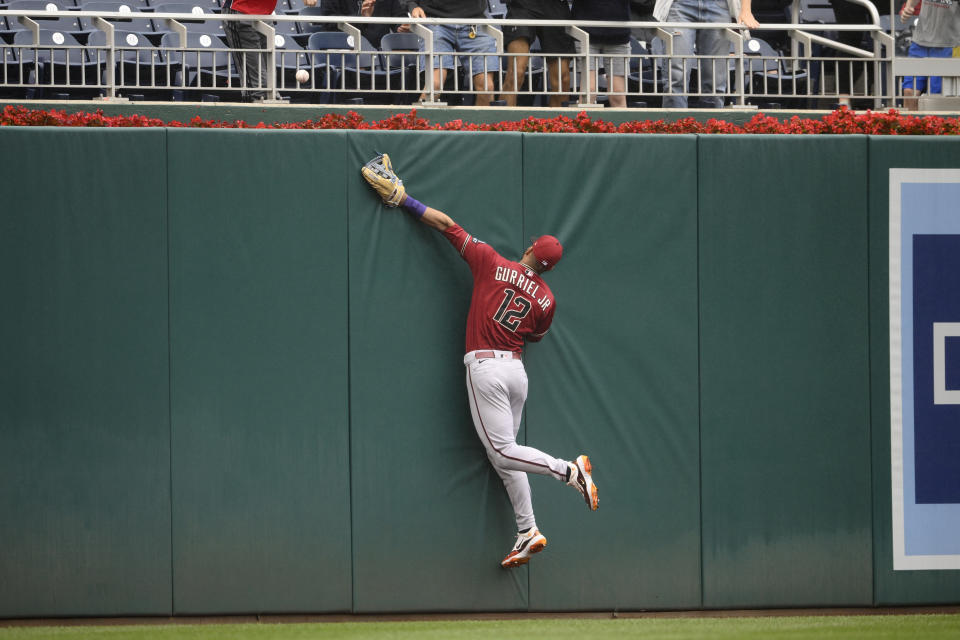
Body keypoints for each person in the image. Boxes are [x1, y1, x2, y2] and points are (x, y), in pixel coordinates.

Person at [360, 154, 599, 569]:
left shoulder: (492, 262)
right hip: (517, 373)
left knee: (506, 452)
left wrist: (405, 199)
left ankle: (569, 471)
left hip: (487, 369)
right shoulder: (547, 299)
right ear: (550, 268)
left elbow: (447, 226)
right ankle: (528, 530)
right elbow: (536, 336)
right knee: (507, 455)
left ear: (528, 248)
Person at [654, 0, 758, 108]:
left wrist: (746, 10)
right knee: (676, 75)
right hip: (679, 4)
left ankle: (712, 123)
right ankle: (675, 124)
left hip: (720, 5)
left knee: (715, 79)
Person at [401, 0, 499, 105]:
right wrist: (413, 6)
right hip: (434, 21)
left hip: (474, 22)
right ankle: (417, 121)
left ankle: (481, 122)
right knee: (434, 86)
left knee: (487, 88)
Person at [500, 0, 576, 108]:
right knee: (516, 73)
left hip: (556, 6)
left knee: (562, 80)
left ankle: (557, 124)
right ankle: (504, 124)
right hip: (522, 5)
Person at [899, 0, 960, 110]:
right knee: (909, 92)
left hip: (947, 44)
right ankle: (911, 127)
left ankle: (934, 127)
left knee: (936, 98)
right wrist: (908, 7)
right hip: (919, 42)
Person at [572, 0, 632, 108]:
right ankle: (584, 124)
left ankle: (622, 125)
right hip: (585, 33)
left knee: (618, 94)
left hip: (618, 35)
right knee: (589, 92)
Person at [222, 0, 281, 102]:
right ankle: (254, 112)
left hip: (265, 14)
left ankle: (272, 106)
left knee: (271, 85)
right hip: (241, 11)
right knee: (256, 87)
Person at [302, 0, 410, 49]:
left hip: (379, 50)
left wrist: (402, 25)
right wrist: (361, 18)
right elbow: (329, 22)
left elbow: (399, 15)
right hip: (344, 47)